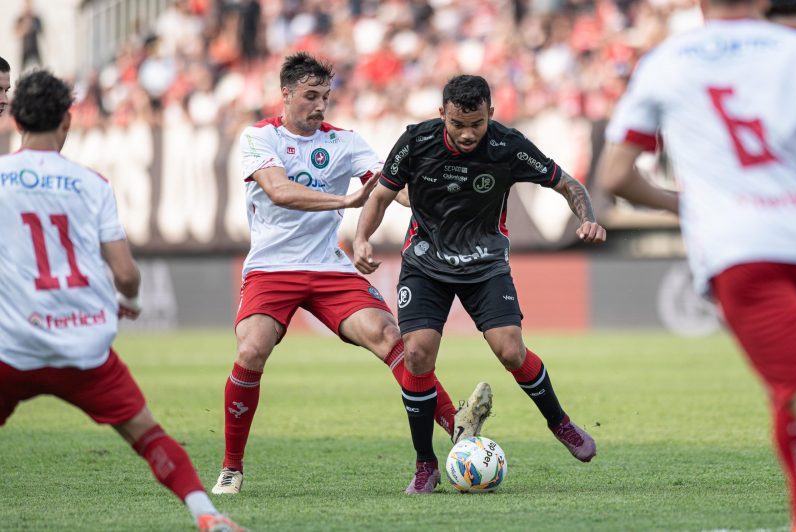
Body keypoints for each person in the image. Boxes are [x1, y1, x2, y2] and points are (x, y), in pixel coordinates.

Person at [212, 52, 492, 495]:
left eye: (325, 96)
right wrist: (345, 202)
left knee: (389, 336)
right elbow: (278, 190)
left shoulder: (345, 141)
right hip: (272, 268)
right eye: (310, 96)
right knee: (251, 351)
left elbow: (390, 188)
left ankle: (455, 426)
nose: (320, 105)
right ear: (285, 94)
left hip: (328, 266)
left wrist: (437, 197)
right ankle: (231, 466)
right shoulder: (258, 136)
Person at [0, 70, 243, 532]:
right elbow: (127, 272)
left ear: (15, 119)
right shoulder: (91, 184)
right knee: (149, 436)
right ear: (67, 122)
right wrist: (127, 299)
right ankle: (207, 515)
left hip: (12, 350)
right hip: (84, 350)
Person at [598, 0, 796, 527]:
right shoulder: (792, 48)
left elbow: (616, 175)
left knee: (794, 389)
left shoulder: (667, 61)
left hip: (740, 250)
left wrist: (685, 204)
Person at [353, 74, 605, 494]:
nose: (468, 134)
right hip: (425, 263)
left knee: (510, 349)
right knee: (416, 354)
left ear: (491, 113)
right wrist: (361, 238)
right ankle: (425, 463)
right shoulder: (416, 141)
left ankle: (560, 422)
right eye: (457, 124)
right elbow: (380, 195)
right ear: (442, 116)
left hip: (485, 263)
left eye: (477, 123)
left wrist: (588, 217)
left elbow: (567, 183)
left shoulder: (509, 146)